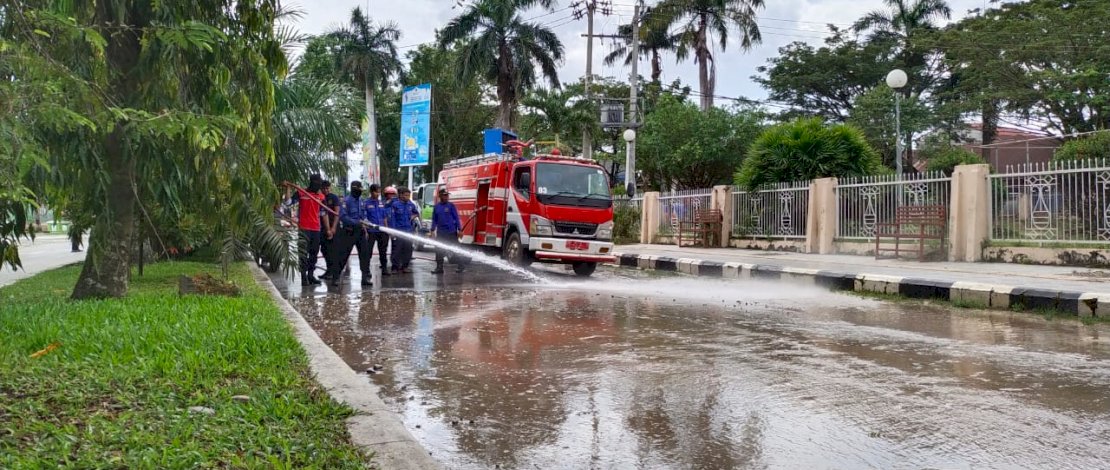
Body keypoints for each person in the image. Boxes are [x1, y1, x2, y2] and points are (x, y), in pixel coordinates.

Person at [327, 181, 372, 287]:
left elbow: (364, 215)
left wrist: (366, 222)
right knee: (342, 255)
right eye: (358, 190)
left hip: (360, 231)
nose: (360, 192)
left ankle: (365, 277)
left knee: (365, 255)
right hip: (349, 232)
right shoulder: (346, 201)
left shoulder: (361, 201)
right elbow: (343, 216)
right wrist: (356, 222)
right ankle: (336, 277)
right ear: (353, 189)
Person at [284, 175, 325, 286]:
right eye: (318, 182)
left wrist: (329, 228)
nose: (319, 185)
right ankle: (303, 277)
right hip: (304, 229)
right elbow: (288, 203)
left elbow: (323, 213)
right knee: (303, 253)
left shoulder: (321, 196)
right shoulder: (301, 193)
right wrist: (287, 188)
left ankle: (311, 275)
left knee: (314, 253)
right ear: (312, 182)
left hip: (316, 229)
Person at [431, 188, 467, 274]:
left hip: (451, 232)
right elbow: (434, 220)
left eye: (447, 195)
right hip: (441, 232)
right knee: (439, 250)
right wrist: (432, 230)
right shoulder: (436, 207)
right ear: (440, 196)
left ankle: (461, 266)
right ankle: (439, 268)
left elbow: (456, 218)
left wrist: (460, 229)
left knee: (455, 249)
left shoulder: (451, 206)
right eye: (444, 195)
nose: (447, 197)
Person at [389, 186, 420, 273]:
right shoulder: (395, 205)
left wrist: (413, 216)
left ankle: (405, 266)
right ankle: (394, 267)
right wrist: (393, 232)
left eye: (408, 195)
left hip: (408, 231)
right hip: (399, 231)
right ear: (401, 195)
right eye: (406, 195)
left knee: (408, 249)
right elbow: (393, 219)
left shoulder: (411, 204)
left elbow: (416, 213)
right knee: (397, 250)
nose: (408, 197)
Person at [363, 184, 391, 277]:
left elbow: (385, 217)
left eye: (379, 192)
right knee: (368, 252)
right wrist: (366, 231)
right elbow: (364, 219)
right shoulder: (366, 203)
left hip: (382, 231)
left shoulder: (381, 203)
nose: (377, 194)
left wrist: (386, 229)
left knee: (383, 251)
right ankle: (366, 271)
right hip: (371, 232)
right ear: (371, 192)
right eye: (376, 192)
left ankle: (384, 269)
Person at [319, 181, 341, 280]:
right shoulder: (319, 197)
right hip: (322, 228)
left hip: (333, 227)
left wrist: (333, 228)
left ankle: (333, 272)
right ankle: (329, 270)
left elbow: (337, 213)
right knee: (324, 249)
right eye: (324, 188)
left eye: (327, 188)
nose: (326, 190)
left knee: (332, 250)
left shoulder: (334, 198)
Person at [382, 186, 399, 272]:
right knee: (383, 247)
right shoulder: (382, 204)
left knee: (395, 247)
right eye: (389, 194)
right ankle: (383, 264)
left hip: (394, 229)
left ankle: (395, 265)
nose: (391, 196)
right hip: (384, 229)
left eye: (393, 194)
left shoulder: (396, 204)